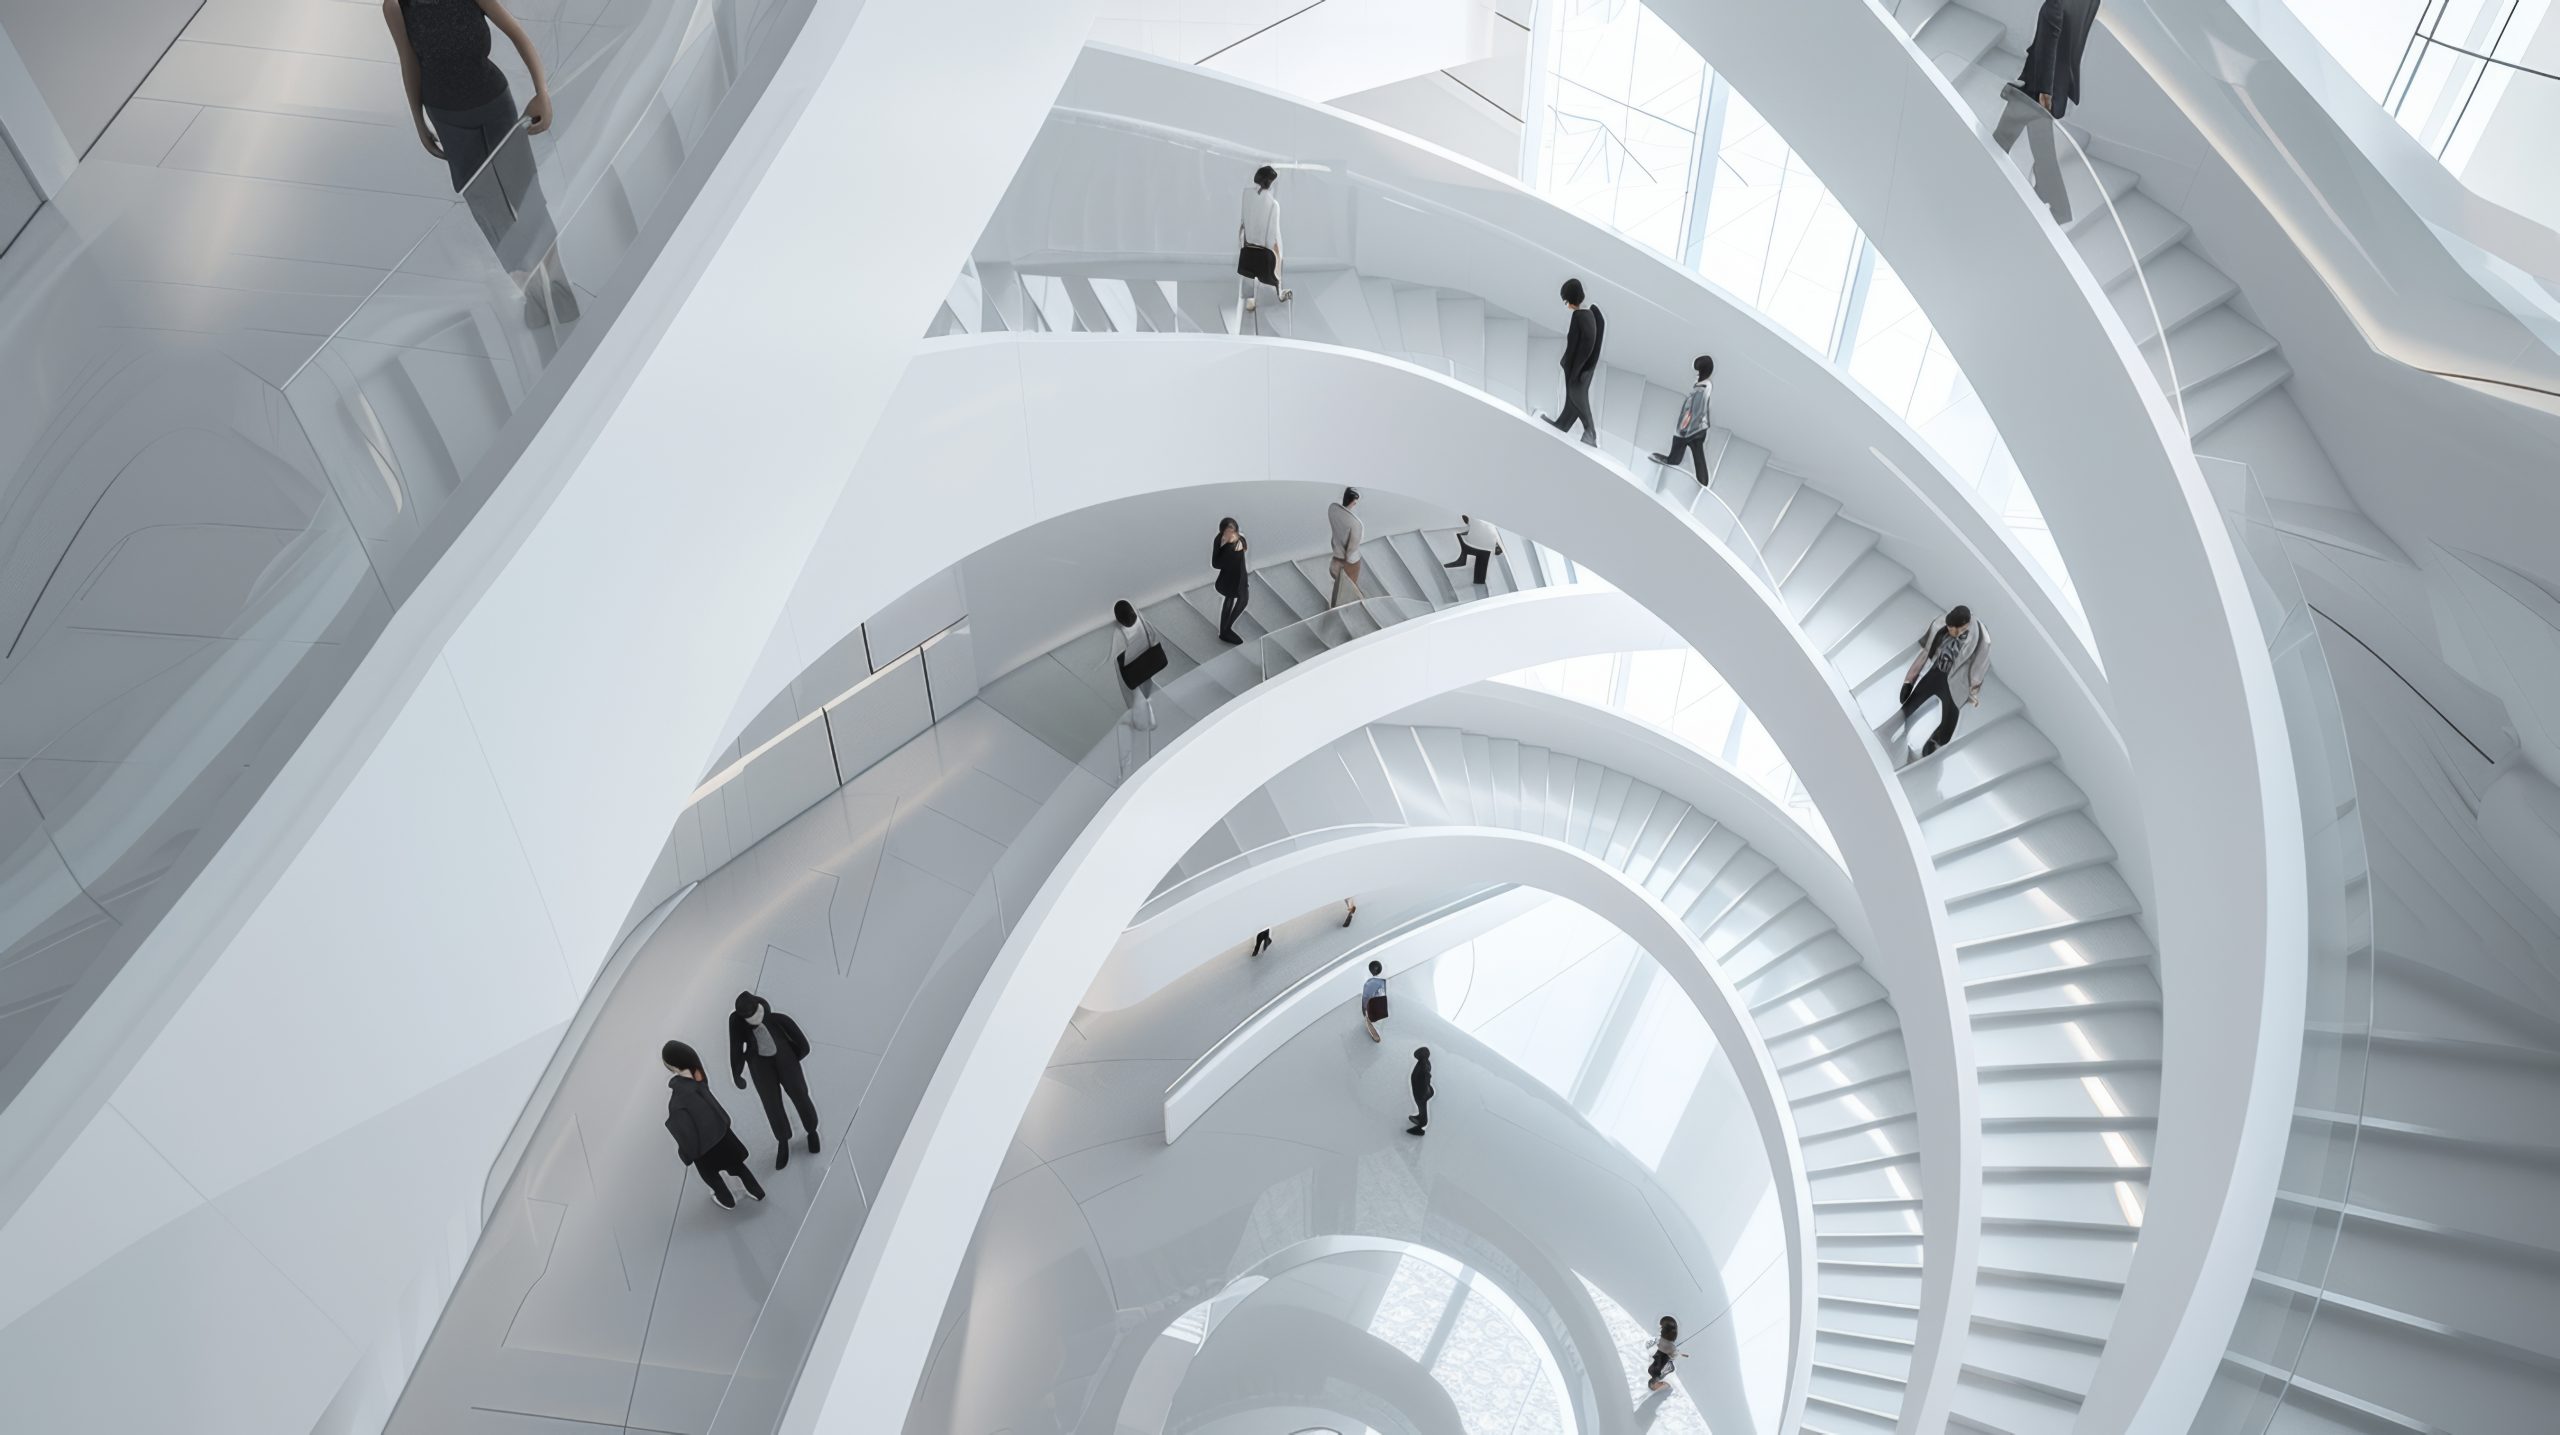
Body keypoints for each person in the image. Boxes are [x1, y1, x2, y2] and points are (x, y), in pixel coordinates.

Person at [384, 0, 578, 329]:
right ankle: (530, 293)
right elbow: (410, 63)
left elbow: (517, 33)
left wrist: (541, 91)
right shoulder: (395, 6)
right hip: (448, 120)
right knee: (491, 214)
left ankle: (559, 286)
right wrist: (418, 122)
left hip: (494, 105)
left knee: (526, 197)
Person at [1991, 0, 2100, 223]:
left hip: (2038, 91)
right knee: (2040, 150)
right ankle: (2059, 207)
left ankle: (2058, 206)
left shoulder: (2057, 1)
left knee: (2004, 138)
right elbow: (2071, 39)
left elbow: (2051, 40)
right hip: (2052, 87)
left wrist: (2043, 92)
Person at [1882, 605, 1992, 763]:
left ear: (1964, 625)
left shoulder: (1982, 639)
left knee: (1948, 726)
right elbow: (1926, 651)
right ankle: (1888, 729)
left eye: (1954, 629)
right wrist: (1909, 681)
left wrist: (1973, 692)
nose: (1950, 632)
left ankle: (1935, 742)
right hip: (1936, 672)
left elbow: (1979, 669)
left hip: (1956, 684)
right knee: (1912, 702)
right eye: (1948, 627)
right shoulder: (1941, 624)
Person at [661, 1040, 763, 1209]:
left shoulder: (677, 1102)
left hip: (704, 1152)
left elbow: (686, 1134)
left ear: (672, 1067)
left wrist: (685, 1155)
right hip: (723, 1137)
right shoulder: (700, 1082)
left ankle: (727, 1200)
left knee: (713, 1179)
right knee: (739, 1167)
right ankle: (757, 1191)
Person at [729, 992, 819, 1169]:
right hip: (760, 1067)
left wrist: (793, 1058)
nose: (754, 1019)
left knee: (800, 1094)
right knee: (771, 1105)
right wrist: (736, 1073)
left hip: (785, 1060)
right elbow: (736, 1049)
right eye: (748, 1017)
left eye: (755, 1014)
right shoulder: (740, 1027)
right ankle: (783, 1140)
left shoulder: (778, 1019)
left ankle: (812, 1130)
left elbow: (803, 1043)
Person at [1538, 278, 1605, 446]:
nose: (1566, 305)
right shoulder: (1590, 314)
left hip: (1577, 368)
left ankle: (1590, 432)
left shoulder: (1578, 317)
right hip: (1586, 368)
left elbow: (1576, 344)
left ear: (1571, 299)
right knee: (1571, 401)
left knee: (1577, 396)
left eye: (1566, 301)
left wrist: (1573, 370)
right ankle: (1562, 425)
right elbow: (1591, 344)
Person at [1648, 356, 1717, 487]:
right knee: (1698, 456)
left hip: (1691, 429)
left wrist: (1684, 427)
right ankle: (1703, 482)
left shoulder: (1701, 388)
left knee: (1682, 446)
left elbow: (1694, 410)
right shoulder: (1705, 386)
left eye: (1698, 371)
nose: (1696, 374)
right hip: (1699, 428)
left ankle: (1674, 461)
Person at [1111, 600, 1166, 762]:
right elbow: (1153, 636)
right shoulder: (1141, 620)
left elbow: (1117, 656)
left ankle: (1143, 722)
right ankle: (1151, 714)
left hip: (1133, 668)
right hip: (1148, 662)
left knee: (1136, 696)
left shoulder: (1119, 632)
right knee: (1148, 687)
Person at [1238, 164, 1290, 315]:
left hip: (1247, 249)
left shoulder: (1246, 195)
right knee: (1277, 261)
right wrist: (1278, 253)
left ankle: (1250, 300)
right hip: (1263, 254)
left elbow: (1242, 224)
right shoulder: (1273, 205)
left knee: (1249, 277)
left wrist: (1242, 244)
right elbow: (1271, 235)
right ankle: (1279, 293)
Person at [1212, 518, 1250, 644]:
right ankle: (1225, 630)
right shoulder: (1220, 541)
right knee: (1234, 598)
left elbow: (1244, 546)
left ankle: (1225, 629)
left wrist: (1238, 543)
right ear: (1223, 532)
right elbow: (1215, 563)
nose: (1232, 534)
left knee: (1241, 600)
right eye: (1228, 531)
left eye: (1234, 530)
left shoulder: (1239, 539)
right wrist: (1229, 548)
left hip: (1240, 576)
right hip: (1229, 576)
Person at [1327, 488, 1366, 607]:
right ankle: (1356, 604)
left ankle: (1334, 606)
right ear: (1353, 502)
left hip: (1335, 561)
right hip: (1349, 563)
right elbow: (1351, 551)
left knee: (1338, 587)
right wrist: (1347, 563)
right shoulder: (1355, 524)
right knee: (1349, 587)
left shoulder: (1333, 510)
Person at [1444, 514, 1505, 588]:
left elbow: (1465, 522)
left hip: (1476, 544)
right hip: (1489, 545)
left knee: (1461, 534)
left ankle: (1463, 557)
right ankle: (1479, 580)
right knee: (1482, 550)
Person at [1647, 1316, 1686, 1392]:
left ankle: (1656, 1384)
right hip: (1663, 1356)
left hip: (1662, 1355)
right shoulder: (1655, 1372)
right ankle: (1656, 1385)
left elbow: (1670, 1357)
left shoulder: (1653, 1371)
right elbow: (1672, 1357)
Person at [1359, 959, 1388, 1042]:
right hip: (1383, 1005)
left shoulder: (1370, 983)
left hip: (1376, 1007)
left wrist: (1364, 1011)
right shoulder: (1383, 981)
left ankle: (1376, 1031)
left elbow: (1366, 997)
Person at [1407, 1047, 1434, 1135]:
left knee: (1422, 1106)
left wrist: (1425, 1091)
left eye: (1418, 1054)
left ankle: (1421, 1125)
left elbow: (1427, 1077)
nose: (1416, 1056)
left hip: (1422, 1091)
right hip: (1421, 1090)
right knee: (1421, 1107)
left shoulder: (1423, 1064)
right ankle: (1420, 1117)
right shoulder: (1425, 1062)